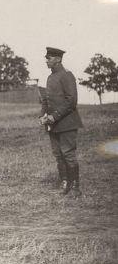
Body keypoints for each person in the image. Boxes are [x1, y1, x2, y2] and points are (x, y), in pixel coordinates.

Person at [39, 47, 84, 197]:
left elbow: (71, 101)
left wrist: (55, 116)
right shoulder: (50, 78)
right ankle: (65, 183)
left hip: (67, 123)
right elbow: (46, 100)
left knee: (68, 154)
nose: (46, 60)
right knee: (58, 155)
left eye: (49, 58)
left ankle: (75, 187)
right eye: (46, 58)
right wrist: (43, 115)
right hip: (53, 124)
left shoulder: (67, 76)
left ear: (58, 59)